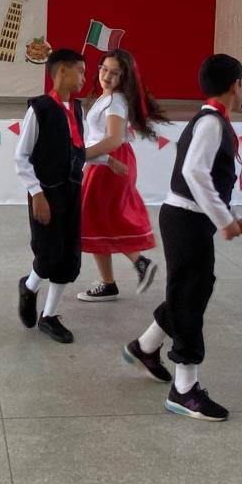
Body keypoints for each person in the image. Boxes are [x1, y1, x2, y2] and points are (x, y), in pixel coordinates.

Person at [122, 54, 242, 421]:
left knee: (194, 289)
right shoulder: (210, 123)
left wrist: (227, 217)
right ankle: (184, 389)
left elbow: (206, 176)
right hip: (186, 219)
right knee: (190, 298)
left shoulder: (211, 119)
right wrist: (224, 220)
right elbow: (195, 172)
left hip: (188, 219)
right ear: (236, 86)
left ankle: (146, 345)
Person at [14, 47, 89, 344]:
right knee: (48, 253)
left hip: (72, 191)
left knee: (69, 256)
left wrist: (106, 159)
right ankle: (29, 287)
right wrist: (37, 193)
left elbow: (78, 149)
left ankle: (49, 315)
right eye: (80, 71)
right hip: (46, 193)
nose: (84, 78)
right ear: (62, 71)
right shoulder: (40, 109)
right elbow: (21, 157)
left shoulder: (78, 109)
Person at [76, 49, 164, 303]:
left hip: (109, 164)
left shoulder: (115, 101)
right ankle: (110, 281)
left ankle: (137, 265)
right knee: (98, 219)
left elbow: (113, 139)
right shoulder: (107, 98)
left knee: (99, 218)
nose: (107, 76)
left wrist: (79, 155)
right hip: (102, 161)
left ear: (124, 76)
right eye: (104, 69)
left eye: (114, 73)